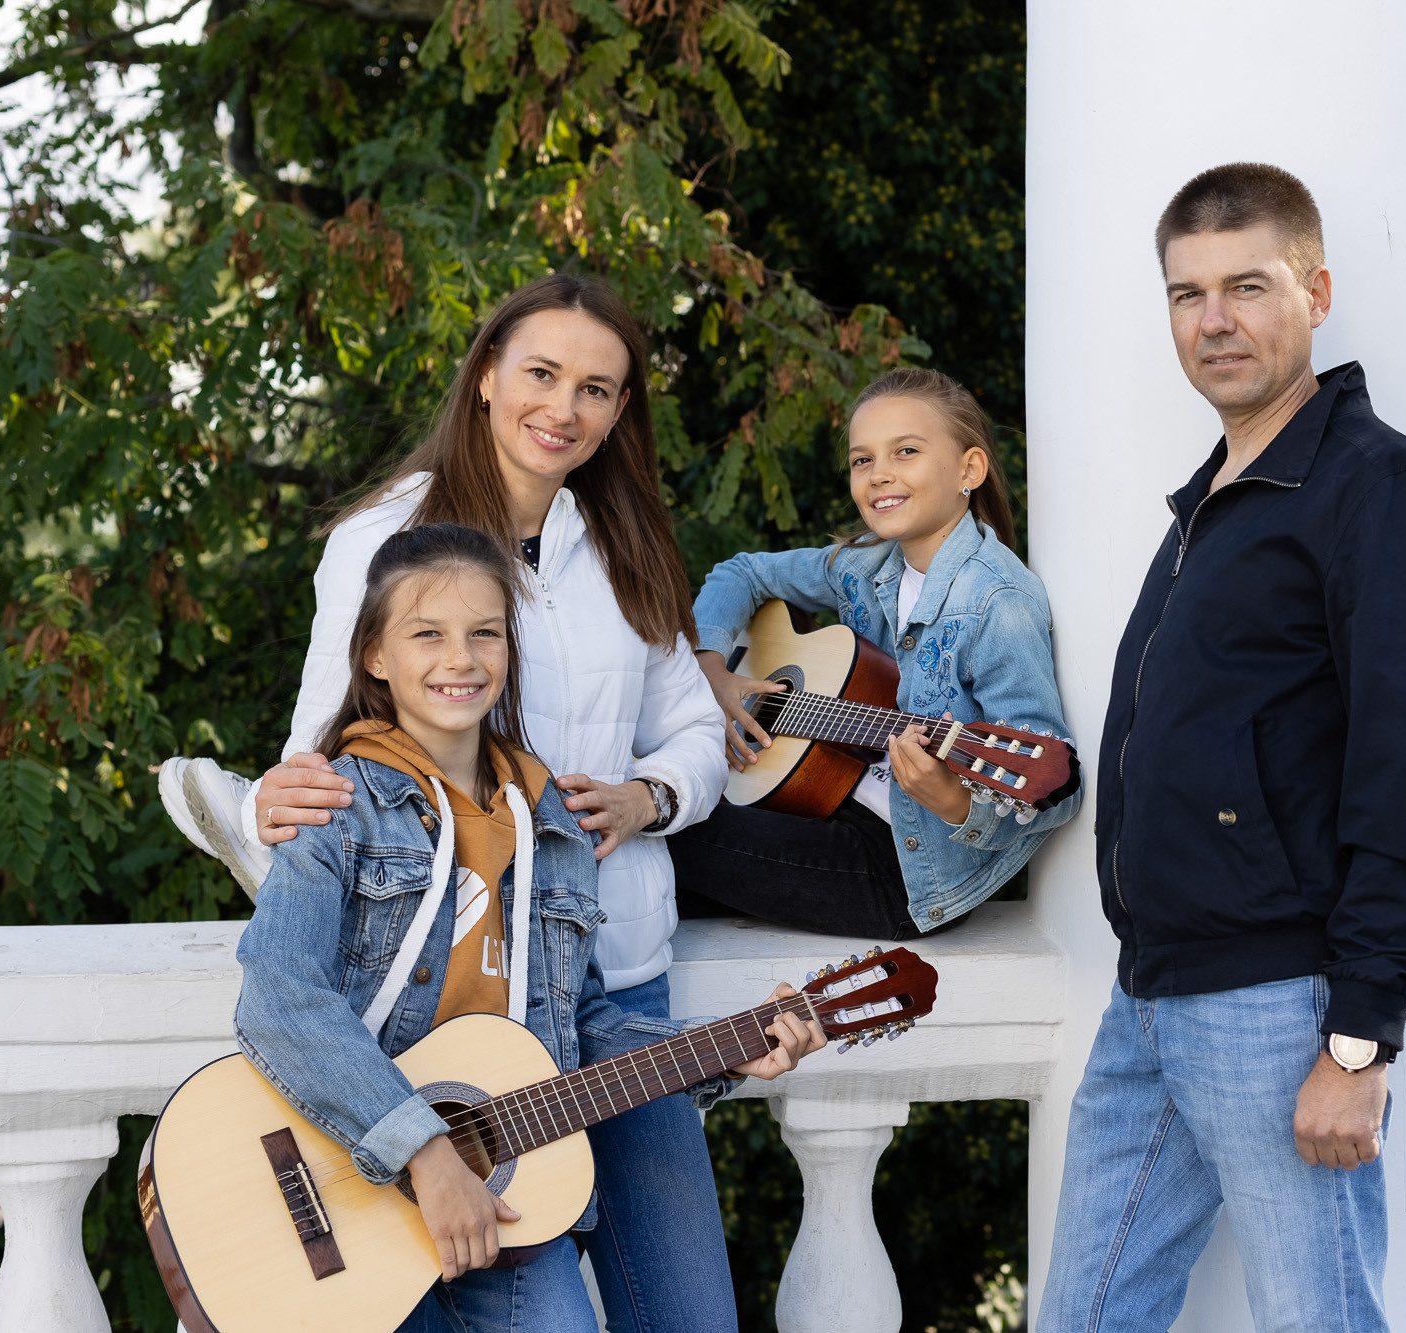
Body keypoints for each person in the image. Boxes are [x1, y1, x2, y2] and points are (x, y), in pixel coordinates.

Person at [160, 274, 738, 1330]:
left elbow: (698, 731)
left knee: (688, 1313)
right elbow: (330, 750)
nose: (563, 409)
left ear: (621, 410)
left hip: (613, 977)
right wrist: (262, 811)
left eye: (596, 389)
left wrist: (647, 795)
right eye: (541, 373)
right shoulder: (387, 538)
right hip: (451, 1020)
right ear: (484, 377)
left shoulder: (628, 542)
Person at [1038, 164, 1406, 1331]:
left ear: (1314, 292)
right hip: (1151, 993)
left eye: (1246, 286)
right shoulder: (1213, 499)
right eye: (1185, 294)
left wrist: (1359, 1036)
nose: (1213, 321)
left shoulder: (1380, 489)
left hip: (1279, 1008)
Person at [232, 523, 823, 1333]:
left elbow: (581, 1025)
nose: (461, 658)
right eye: (427, 634)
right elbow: (278, 995)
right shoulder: (337, 802)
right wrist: (424, 1151)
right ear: (373, 654)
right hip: (349, 1175)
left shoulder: (552, 821)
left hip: (497, 1197)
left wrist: (728, 1049)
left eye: (485, 633)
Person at [673, 368, 1080, 940]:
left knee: (668, 826)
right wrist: (711, 667)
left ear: (970, 469)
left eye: (905, 451)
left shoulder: (998, 603)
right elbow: (742, 572)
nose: (879, 474)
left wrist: (954, 800)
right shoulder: (864, 565)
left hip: (906, 868)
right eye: (862, 460)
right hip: (824, 798)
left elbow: (1056, 790)